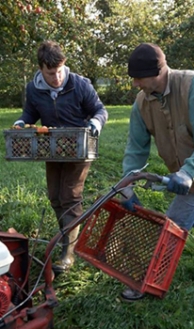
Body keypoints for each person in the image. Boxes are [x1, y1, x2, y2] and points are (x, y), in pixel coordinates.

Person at [119, 43, 194, 301]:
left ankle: (147, 282)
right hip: (177, 174)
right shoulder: (141, 104)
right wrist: (127, 181)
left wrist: (188, 173)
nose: (135, 84)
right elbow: (136, 148)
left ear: (157, 72)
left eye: (138, 78)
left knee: (171, 228)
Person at [13, 40, 108, 274]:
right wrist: (21, 122)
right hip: (52, 148)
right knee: (55, 197)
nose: (56, 78)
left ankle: (68, 254)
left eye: (58, 71)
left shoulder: (79, 84)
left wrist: (95, 123)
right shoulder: (34, 89)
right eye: (50, 73)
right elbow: (30, 112)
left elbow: (99, 109)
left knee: (70, 196)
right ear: (40, 69)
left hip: (78, 146)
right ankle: (67, 236)